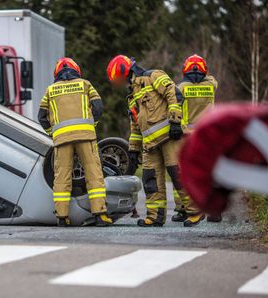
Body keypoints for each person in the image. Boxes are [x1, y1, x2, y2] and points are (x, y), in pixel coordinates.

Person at [106, 55, 204, 227]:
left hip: (170, 137)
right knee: (150, 180)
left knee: (178, 175)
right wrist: (133, 149)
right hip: (149, 144)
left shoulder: (154, 76)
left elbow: (174, 94)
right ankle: (155, 216)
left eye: (119, 80)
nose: (120, 84)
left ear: (126, 73)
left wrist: (175, 121)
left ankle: (195, 210)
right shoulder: (132, 97)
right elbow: (135, 125)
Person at [38, 57, 112, 227]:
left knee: (62, 177)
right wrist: (91, 125)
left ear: (56, 73)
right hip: (85, 136)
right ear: (76, 70)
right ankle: (100, 214)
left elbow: (41, 117)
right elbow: (98, 107)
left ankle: (62, 218)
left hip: (62, 140)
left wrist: (53, 133)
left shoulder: (50, 90)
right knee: (93, 173)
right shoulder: (85, 85)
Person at [173, 54, 220, 222]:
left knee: (184, 172)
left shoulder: (181, 87)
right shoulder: (211, 85)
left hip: (186, 136)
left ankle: (183, 209)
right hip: (207, 136)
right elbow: (211, 78)